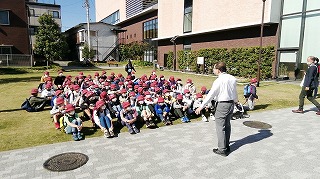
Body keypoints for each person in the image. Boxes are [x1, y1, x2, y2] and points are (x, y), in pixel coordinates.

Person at [195, 62, 238, 157]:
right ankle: (226, 146)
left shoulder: (219, 80)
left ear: (218, 70)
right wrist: (236, 101)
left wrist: (201, 106)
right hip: (231, 103)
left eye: (214, 69)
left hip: (223, 104)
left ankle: (222, 149)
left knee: (220, 127)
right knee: (227, 125)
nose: (213, 70)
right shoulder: (232, 78)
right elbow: (234, 91)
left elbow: (211, 94)